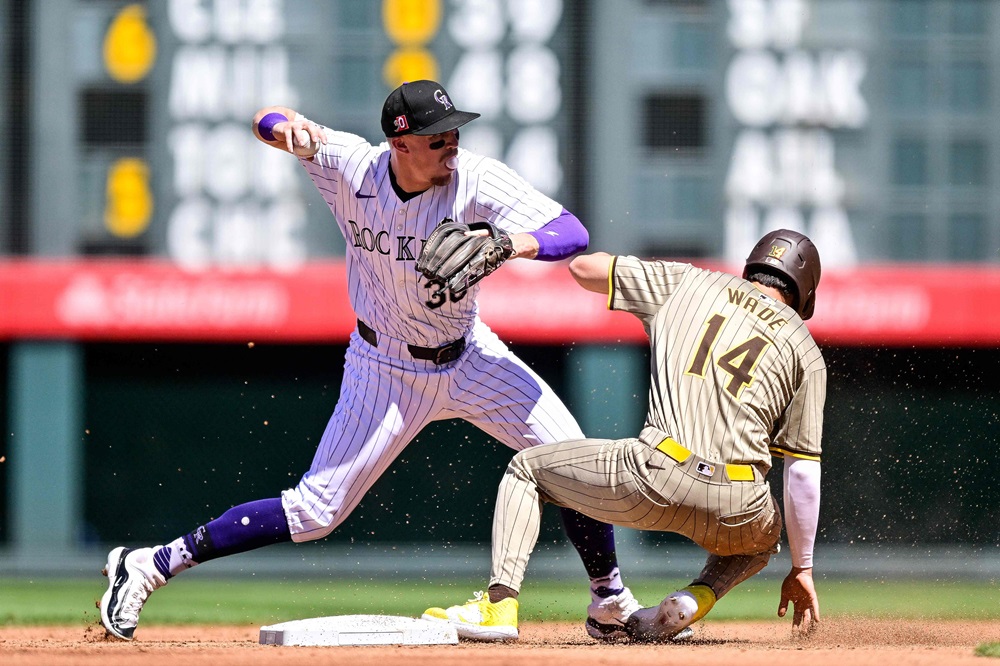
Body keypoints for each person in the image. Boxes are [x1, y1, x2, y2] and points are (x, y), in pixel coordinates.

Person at [99, 80, 636, 641]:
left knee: (576, 463)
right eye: (436, 136)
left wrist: (512, 242)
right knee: (314, 513)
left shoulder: (475, 178)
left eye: (453, 131)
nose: (451, 142)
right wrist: (284, 126)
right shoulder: (350, 167)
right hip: (384, 370)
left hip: (469, 356)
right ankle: (150, 564)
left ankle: (610, 600)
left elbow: (571, 232)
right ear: (400, 143)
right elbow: (266, 118)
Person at [423, 229, 825, 642]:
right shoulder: (807, 352)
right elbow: (801, 474)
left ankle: (499, 605)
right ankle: (695, 598)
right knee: (760, 542)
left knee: (526, 469)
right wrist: (803, 568)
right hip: (736, 502)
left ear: (751, 267)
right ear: (805, 294)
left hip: (653, 475)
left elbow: (583, 268)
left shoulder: (689, 282)